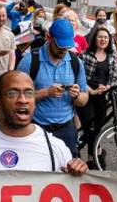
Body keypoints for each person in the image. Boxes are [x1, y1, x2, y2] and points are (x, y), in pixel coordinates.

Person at [16, 18, 90, 157]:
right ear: (49, 37)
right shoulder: (29, 61)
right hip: (35, 128)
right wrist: (45, 93)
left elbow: (84, 99)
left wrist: (77, 96)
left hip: (66, 130)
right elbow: (15, 100)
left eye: (67, 47)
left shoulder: (75, 62)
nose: (63, 50)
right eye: (60, 46)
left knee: (68, 173)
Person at [79, 27, 117, 166]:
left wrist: (108, 86)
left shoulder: (111, 57)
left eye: (106, 37)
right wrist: (91, 90)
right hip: (87, 95)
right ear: (94, 39)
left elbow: (114, 76)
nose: (103, 40)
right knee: (89, 127)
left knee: (97, 128)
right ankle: (96, 154)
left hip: (102, 97)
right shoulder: (85, 55)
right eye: (100, 37)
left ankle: (93, 156)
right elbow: (79, 76)